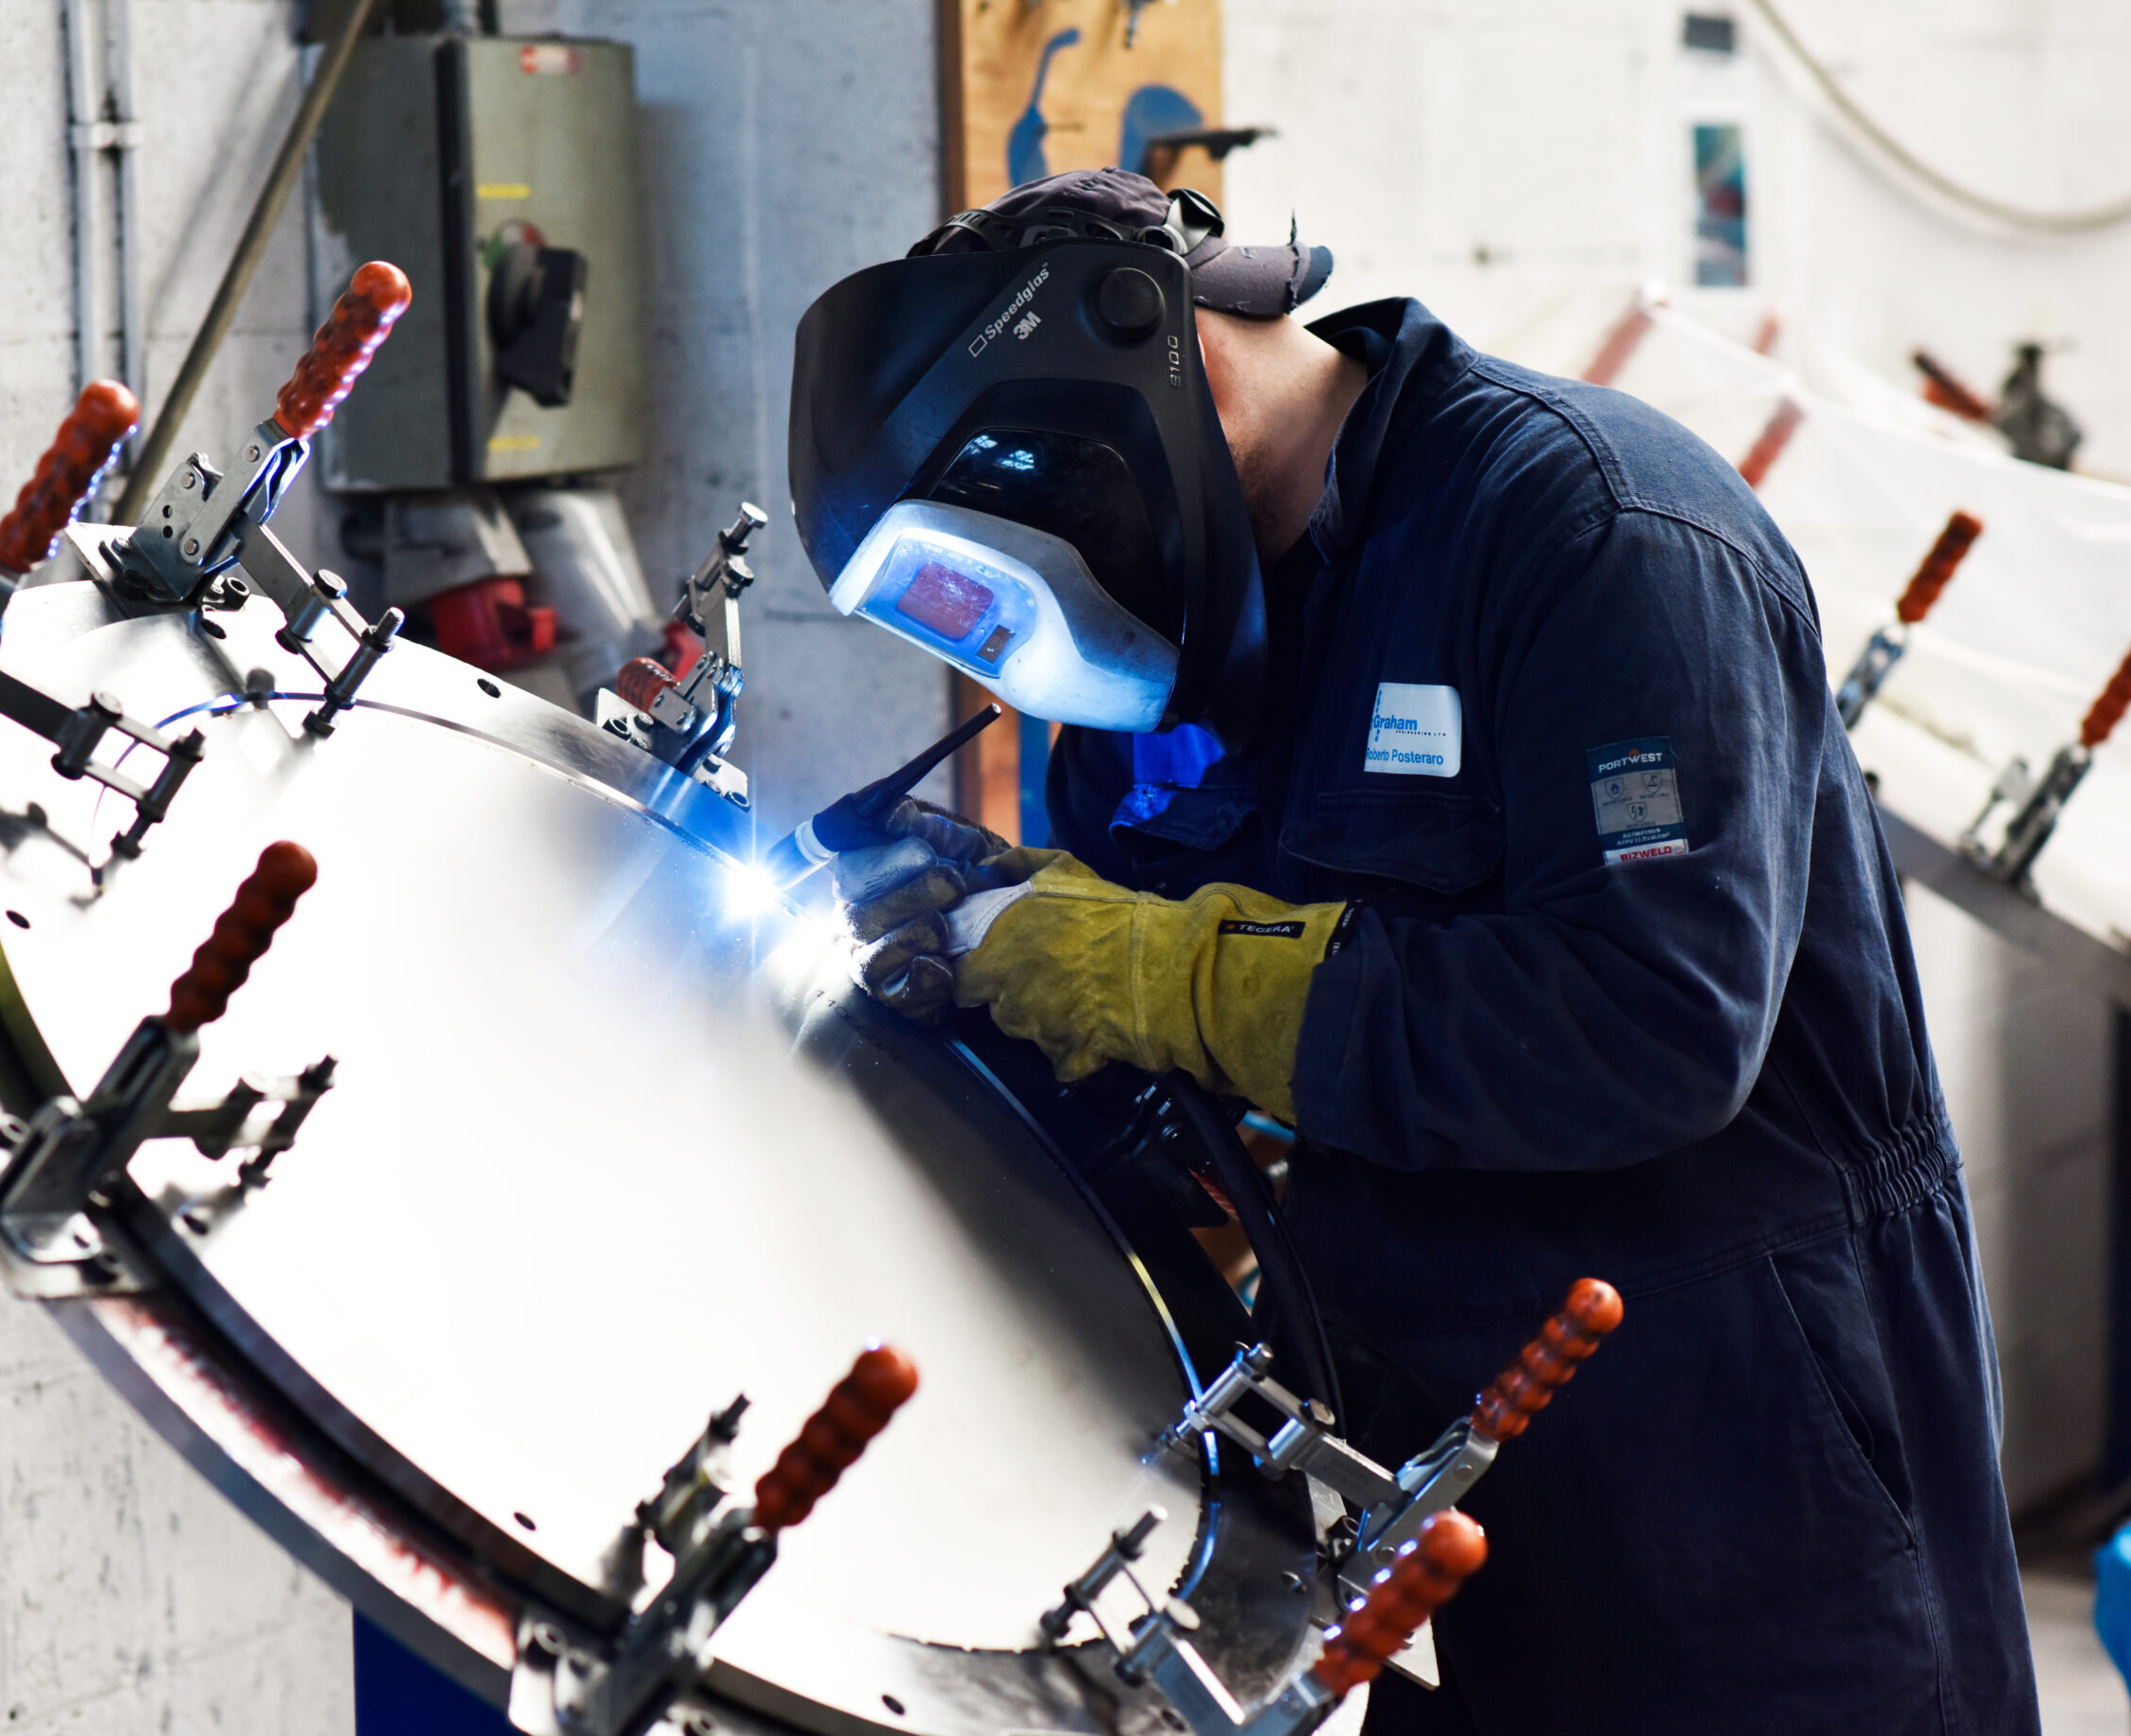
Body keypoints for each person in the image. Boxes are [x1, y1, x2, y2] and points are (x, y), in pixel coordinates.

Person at [785, 169, 2036, 1734]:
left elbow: (1650, 1023)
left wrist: (1160, 973)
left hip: (1756, 1498)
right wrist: (996, 986)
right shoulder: (1156, 689)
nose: (1006, 638)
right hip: (1438, 1505)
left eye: (977, 570)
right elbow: (1185, 1106)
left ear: (1096, 401)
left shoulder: (1595, 531)